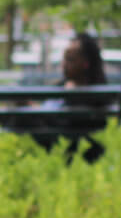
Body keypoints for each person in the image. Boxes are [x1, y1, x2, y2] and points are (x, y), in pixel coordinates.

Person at [24, 32, 108, 163]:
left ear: (86, 64)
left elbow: (69, 127)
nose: (63, 64)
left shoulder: (92, 96)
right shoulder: (63, 86)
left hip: (65, 148)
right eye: (64, 59)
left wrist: (38, 114)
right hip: (53, 139)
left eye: (70, 59)